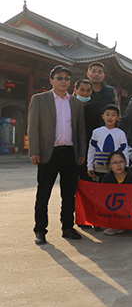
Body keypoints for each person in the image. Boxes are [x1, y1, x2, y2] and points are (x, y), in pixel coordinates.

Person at [28, 65, 87, 245]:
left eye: (66, 78)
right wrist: (34, 151)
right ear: (51, 80)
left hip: (70, 153)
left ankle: (67, 227)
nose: (63, 81)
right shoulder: (40, 100)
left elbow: (80, 130)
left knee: (69, 194)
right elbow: (33, 127)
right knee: (43, 193)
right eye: (59, 78)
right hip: (48, 153)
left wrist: (81, 152)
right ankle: (40, 230)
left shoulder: (75, 103)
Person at [101, 150, 132, 236]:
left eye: (121, 162)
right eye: (115, 163)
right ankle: (116, 226)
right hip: (116, 208)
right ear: (109, 166)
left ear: (125, 163)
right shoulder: (107, 178)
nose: (119, 165)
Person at [87, 104, 129, 182]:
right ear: (103, 116)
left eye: (113, 115)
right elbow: (91, 149)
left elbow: (124, 151)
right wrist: (89, 166)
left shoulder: (121, 133)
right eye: (107, 114)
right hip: (98, 168)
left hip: (115, 169)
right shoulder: (96, 132)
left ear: (118, 118)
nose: (110, 117)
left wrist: (126, 167)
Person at [74, 79, 99, 182]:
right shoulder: (69, 106)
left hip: (88, 150)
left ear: (91, 92)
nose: (84, 93)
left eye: (88, 90)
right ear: (75, 90)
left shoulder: (95, 109)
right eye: (82, 90)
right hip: (72, 149)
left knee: (86, 180)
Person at [87, 62, 119, 128]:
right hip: (86, 128)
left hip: (105, 129)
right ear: (88, 74)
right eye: (94, 71)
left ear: (103, 76)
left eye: (99, 72)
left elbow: (117, 111)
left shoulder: (111, 91)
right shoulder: (82, 90)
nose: (96, 74)